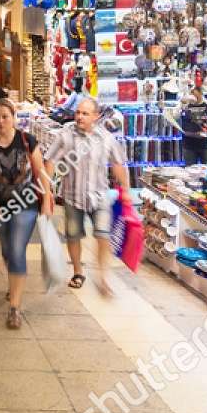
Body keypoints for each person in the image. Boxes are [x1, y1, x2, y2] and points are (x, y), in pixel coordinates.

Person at [0, 98, 54, 329]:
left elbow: (41, 173)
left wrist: (47, 199)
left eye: (5, 117)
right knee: (7, 250)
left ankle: (15, 307)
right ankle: (13, 283)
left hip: (26, 205)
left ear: (14, 119)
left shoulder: (27, 141)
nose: (0, 121)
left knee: (17, 249)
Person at [44, 97, 130, 297]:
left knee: (103, 236)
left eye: (85, 114)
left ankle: (103, 277)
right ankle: (77, 271)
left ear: (96, 117)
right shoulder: (66, 135)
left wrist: (125, 189)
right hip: (72, 196)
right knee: (73, 236)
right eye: (78, 113)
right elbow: (50, 160)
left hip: (99, 196)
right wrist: (47, 188)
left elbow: (117, 163)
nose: (79, 117)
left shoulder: (106, 138)